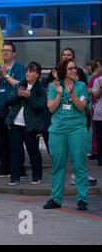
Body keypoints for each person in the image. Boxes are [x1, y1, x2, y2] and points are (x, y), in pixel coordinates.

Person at [43, 59, 89, 211]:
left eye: (75, 68)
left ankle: (82, 199)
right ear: (63, 70)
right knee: (58, 166)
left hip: (77, 131)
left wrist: (71, 94)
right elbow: (51, 108)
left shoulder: (82, 86)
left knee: (79, 166)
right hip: (58, 131)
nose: (74, 71)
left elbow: (81, 107)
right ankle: (56, 199)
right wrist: (59, 94)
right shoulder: (53, 86)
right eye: (70, 69)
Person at [5, 61, 47, 185]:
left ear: (37, 75)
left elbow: (40, 106)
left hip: (30, 126)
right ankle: (14, 177)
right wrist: (18, 95)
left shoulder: (40, 89)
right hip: (15, 123)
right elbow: (9, 100)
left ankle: (37, 176)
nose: (28, 73)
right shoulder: (20, 84)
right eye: (27, 71)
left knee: (33, 151)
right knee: (15, 151)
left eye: (31, 71)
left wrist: (29, 96)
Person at [0, 41, 26, 177]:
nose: (5, 53)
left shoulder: (20, 68)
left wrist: (6, 76)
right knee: (2, 141)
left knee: (15, 141)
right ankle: (5, 168)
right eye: (3, 50)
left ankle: (19, 169)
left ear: (14, 53)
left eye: (8, 51)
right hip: (0, 110)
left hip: (15, 110)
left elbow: (20, 85)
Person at [91, 74, 102, 166]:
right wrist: (101, 87)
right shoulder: (98, 80)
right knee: (100, 137)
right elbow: (95, 95)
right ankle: (100, 158)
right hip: (100, 113)